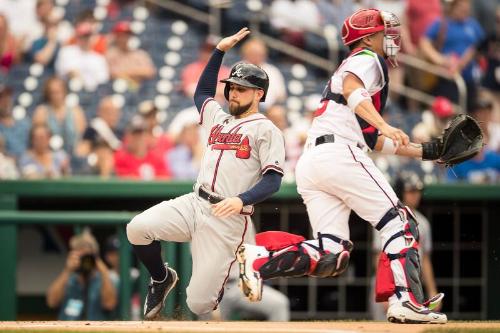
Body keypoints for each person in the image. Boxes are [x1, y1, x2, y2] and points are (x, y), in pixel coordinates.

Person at [236, 9, 448, 324]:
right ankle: (405, 300)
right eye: (384, 32)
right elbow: (353, 90)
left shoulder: (360, 70)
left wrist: (426, 151)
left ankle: (260, 259)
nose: (390, 38)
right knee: (401, 223)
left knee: (332, 254)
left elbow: (373, 139)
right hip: (339, 154)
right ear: (368, 37)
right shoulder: (366, 58)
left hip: (317, 160)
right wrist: (385, 123)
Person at [126, 28, 285, 319]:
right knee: (137, 228)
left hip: (227, 219)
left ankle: (244, 265)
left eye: (242, 88)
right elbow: (201, 92)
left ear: (259, 93)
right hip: (194, 202)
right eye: (232, 87)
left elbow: (273, 180)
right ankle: (162, 279)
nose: (234, 93)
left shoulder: (267, 129)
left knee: (198, 305)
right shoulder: (218, 117)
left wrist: (241, 199)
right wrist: (219, 51)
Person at [371, 172, 440, 320]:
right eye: (411, 191)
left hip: (412, 283)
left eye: (417, 191)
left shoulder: (423, 223)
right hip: (390, 283)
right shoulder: (386, 221)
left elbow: (425, 259)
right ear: (401, 192)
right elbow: (379, 258)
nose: (415, 195)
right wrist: (384, 291)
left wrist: (432, 289)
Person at [46, 229, 118, 320]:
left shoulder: (106, 279)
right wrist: (67, 270)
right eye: (80, 257)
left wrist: (101, 269)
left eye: (86, 257)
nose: (84, 261)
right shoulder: (69, 280)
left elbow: (109, 304)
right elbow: (52, 302)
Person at [32, 76, 87, 156]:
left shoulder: (76, 111)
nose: (55, 96)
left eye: (58, 92)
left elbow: (82, 137)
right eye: (52, 93)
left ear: (64, 92)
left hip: (73, 154)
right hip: (50, 155)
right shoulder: (41, 112)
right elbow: (38, 138)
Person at [105, 21, 156, 89]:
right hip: (115, 89)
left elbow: (150, 72)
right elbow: (111, 74)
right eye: (121, 35)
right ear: (116, 36)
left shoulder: (140, 54)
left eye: (127, 34)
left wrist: (125, 73)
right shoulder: (109, 54)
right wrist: (136, 73)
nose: (124, 38)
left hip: (139, 90)